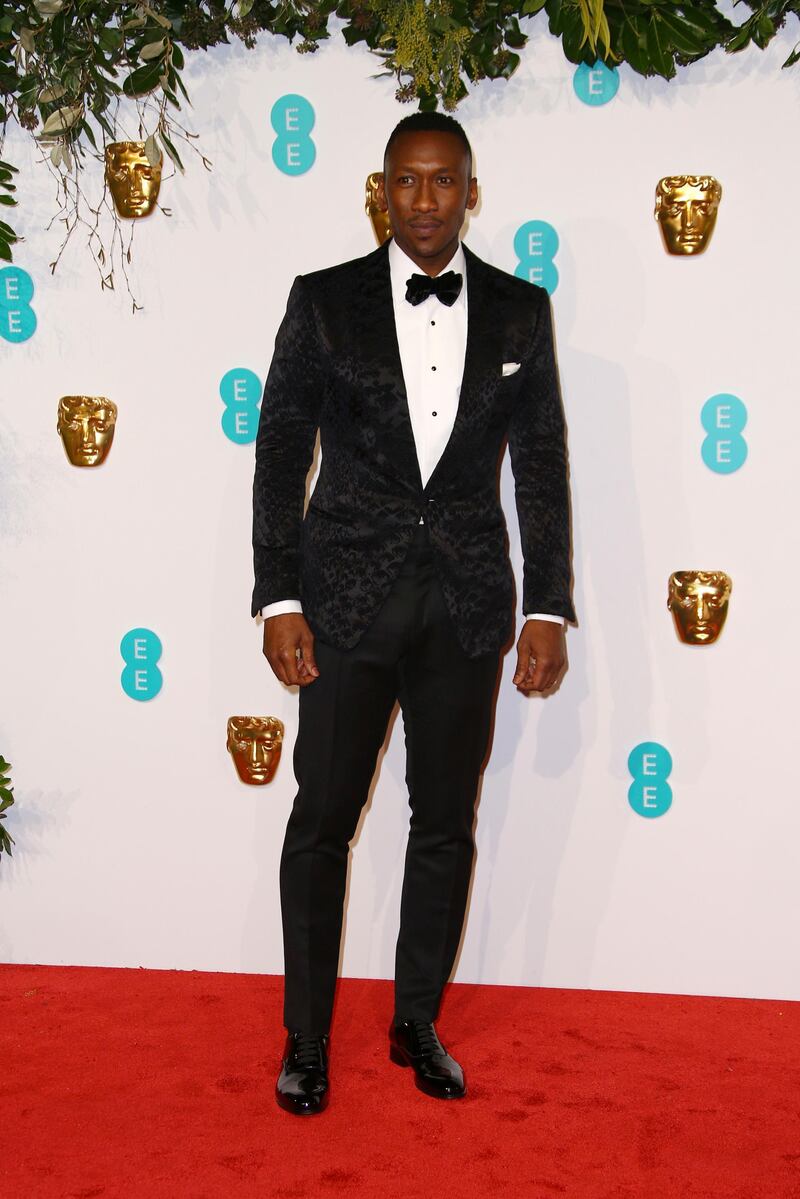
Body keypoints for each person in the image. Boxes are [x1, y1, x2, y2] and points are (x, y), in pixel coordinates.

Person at [251, 111, 575, 1115]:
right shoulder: (322, 301)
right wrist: (278, 593)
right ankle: (305, 1039)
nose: (424, 201)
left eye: (442, 183)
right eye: (406, 181)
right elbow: (276, 449)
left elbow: (542, 465)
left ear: (469, 192)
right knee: (320, 821)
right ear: (379, 190)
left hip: (466, 606)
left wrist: (548, 605)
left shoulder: (522, 311)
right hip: (342, 598)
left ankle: (415, 1019)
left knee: (443, 821)